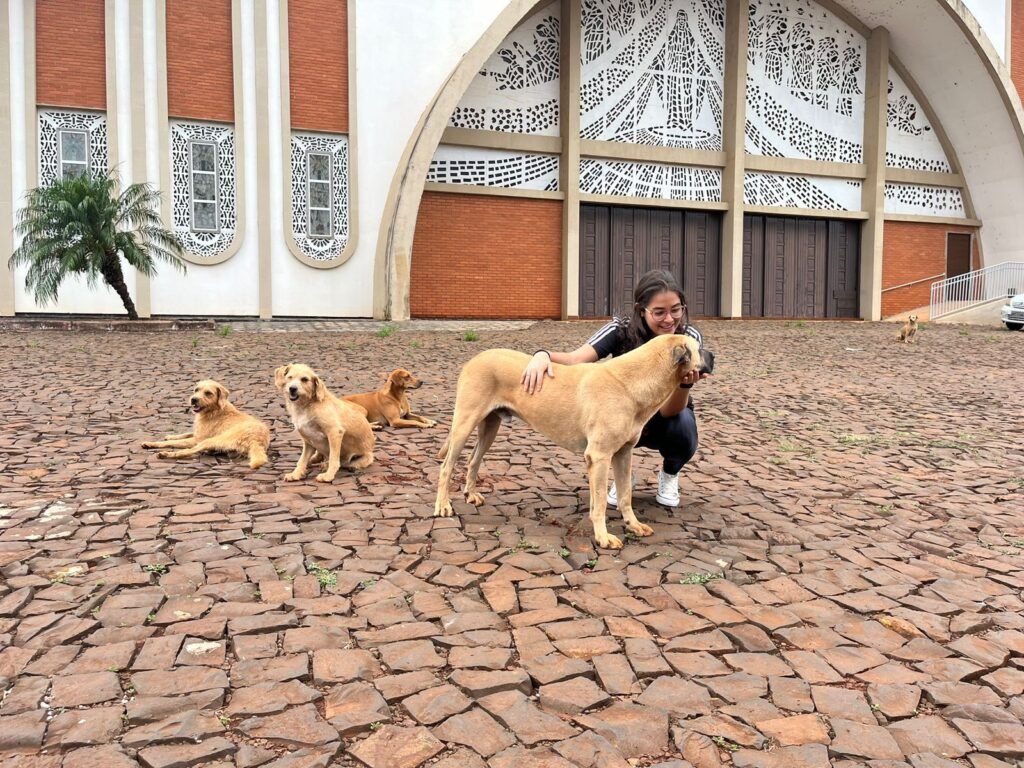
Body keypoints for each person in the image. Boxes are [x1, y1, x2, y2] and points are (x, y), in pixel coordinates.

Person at [520, 269, 710, 508]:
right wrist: (543, 354)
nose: (669, 319)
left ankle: (670, 474)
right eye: (659, 312)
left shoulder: (687, 338)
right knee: (610, 423)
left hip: (666, 413)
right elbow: (577, 358)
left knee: (683, 428)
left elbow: (669, 412)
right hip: (620, 412)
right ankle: (622, 476)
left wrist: (685, 384)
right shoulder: (621, 329)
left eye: (676, 309)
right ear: (642, 310)